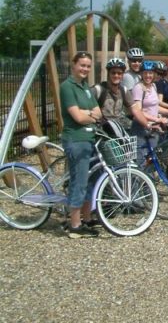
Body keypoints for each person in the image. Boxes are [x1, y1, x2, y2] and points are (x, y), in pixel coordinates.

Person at [60, 51, 102, 238]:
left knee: (90, 180)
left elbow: (98, 112)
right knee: (79, 181)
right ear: (74, 65)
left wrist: (89, 114)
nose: (85, 69)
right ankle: (74, 225)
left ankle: (86, 218)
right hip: (76, 139)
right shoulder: (67, 87)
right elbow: (77, 117)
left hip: (89, 138)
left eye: (88, 66)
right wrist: (89, 115)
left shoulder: (85, 87)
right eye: (82, 65)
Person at [129, 61, 168, 164]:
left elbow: (155, 107)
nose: (148, 75)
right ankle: (138, 180)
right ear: (141, 74)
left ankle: (149, 179)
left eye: (151, 73)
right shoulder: (138, 88)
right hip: (140, 127)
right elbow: (138, 110)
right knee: (141, 160)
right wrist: (158, 119)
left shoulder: (153, 86)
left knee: (151, 157)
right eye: (145, 73)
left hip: (153, 127)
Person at [91, 57, 148, 130]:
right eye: (113, 73)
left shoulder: (123, 90)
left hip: (118, 128)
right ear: (108, 73)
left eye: (119, 73)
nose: (116, 75)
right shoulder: (98, 89)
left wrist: (147, 126)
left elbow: (136, 110)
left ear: (123, 75)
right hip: (101, 129)